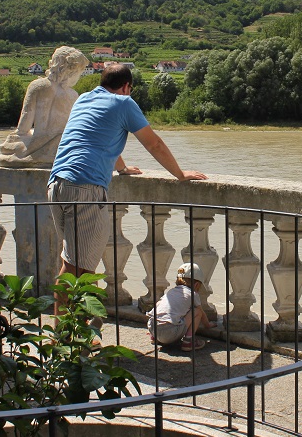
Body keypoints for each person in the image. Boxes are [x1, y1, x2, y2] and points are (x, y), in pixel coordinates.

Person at [48, 63, 207, 290]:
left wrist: (121, 168)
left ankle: (64, 324)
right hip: (85, 188)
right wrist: (180, 174)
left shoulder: (84, 98)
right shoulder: (124, 103)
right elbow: (154, 144)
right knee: (79, 271)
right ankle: (71, 325)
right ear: (126, 87)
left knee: (71, 261)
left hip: (57, 184)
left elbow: (98, 138)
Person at [0, 46, 89, 168]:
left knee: (12, 143)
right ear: (71, 71)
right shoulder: (73, 95)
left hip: (37, 143)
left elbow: (23, 126)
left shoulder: (37, 86)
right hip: (62, 146)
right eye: (80, 73)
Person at [147, 263, 212, 351]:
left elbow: (157, 305)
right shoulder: (193, 294)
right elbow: (201, 312)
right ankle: (188, 342)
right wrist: (207, 325)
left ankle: (154, 338)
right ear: (196, 285)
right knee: (197, 311)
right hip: (170, 333)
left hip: (153, 329)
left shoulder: (171, 292)